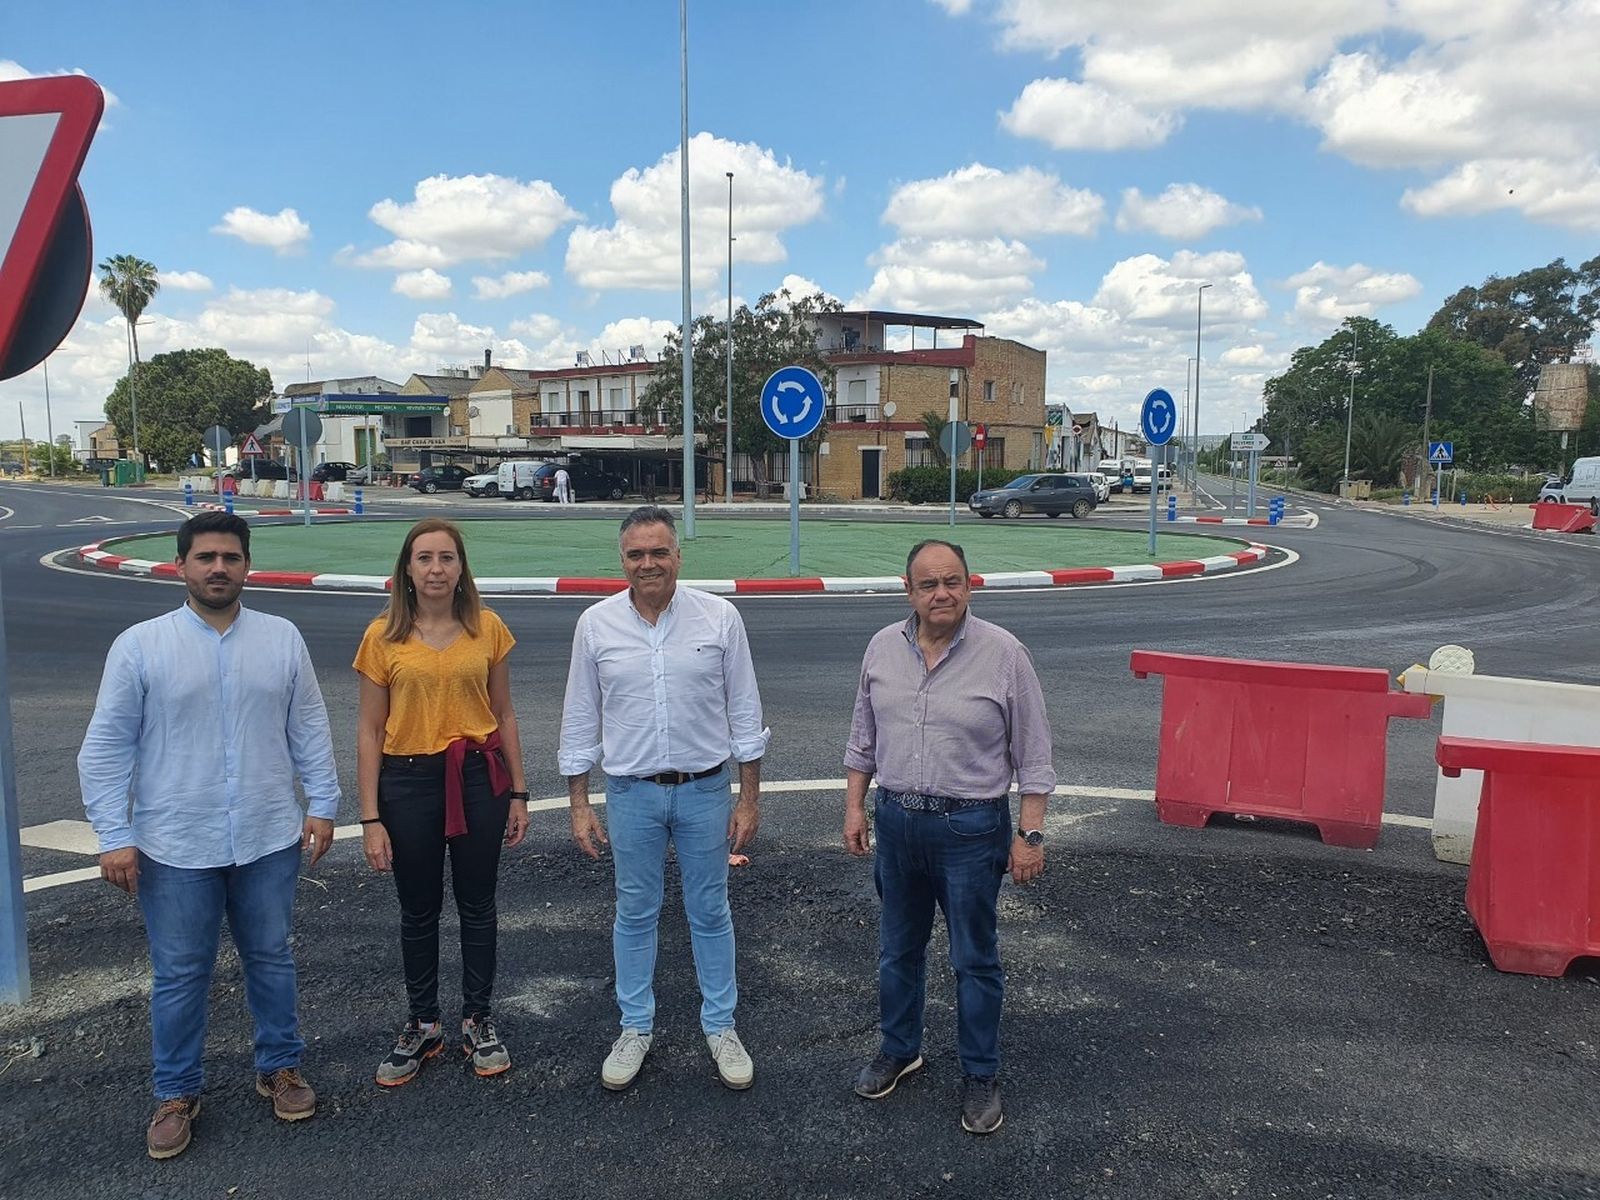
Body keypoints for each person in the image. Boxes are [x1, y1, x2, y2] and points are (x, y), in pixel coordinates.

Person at [77, 511, 341, 1161]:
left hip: (267, 835)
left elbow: (308, 725)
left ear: (247, 564)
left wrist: (326, 803)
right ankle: (174, 1094)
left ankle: (280, 1067)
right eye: (205, 558)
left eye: (229, 557)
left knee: (272, 957)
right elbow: (105, 749)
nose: (218, 568)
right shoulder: (141, 645)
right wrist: (113, 834)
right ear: (181, 566)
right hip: (174, 845)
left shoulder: (280, 639)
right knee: (179, 973)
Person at [841, 538, 1055, 1136]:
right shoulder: (883, 648)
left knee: (974, 959)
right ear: (908, 590)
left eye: (953, 582)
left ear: (969, 585)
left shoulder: (1004, 654)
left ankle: (980, 1072)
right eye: (929, 584)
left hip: (971, 829)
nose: (943, 594)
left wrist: (1030, 834)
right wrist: (855, 808)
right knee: (897, 951)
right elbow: (863, 738)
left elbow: (1033, 754)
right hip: (898, 823)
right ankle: (899, 1048)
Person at [559, 505, 768, 1092]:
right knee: (634, 913)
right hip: (631, 796)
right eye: (636, 554)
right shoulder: (596, 626)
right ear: (621, 560)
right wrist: (579, 802)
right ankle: (635, 1028)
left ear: (679, 555)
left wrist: (748, 799)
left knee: (711, 912)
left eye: (659, 552)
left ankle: (721, 1026)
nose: (648, 563)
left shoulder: (719, 619)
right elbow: (580, 717)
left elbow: (745, 713)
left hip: (705, 791)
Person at [354, 518, 530, 1087]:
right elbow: (368, 729)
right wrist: (370, 817)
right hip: (406, 784)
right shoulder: (382, 637)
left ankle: (478, 1018)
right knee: (418, 908)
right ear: (406, 568)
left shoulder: (488, 630)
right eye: (424, 558)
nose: (435, 569)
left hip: (478, 777)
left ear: (461, 568)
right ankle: (423, 1021)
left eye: (446, 558)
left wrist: (520, 793)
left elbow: (503, 715)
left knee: (478, 904)